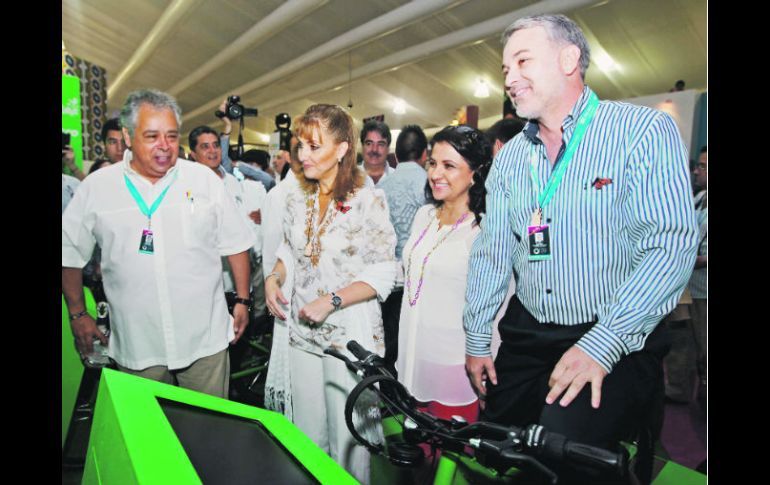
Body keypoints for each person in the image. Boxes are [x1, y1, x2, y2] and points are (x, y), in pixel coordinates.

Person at [463, 15, 698, 482]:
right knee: (496, 448)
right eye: (505, 67)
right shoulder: (511, 156)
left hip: (614, 329)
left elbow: (669, 245)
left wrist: (604, 343)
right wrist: (475, 336)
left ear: (569, 59)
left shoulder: (640, 131)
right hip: (528, 333)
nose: (508, 77)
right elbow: (492, 252)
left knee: (565, 453)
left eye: (522, 60)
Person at [62, 89, 255, 398]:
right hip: (138, 343)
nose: (165, 146)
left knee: (209, 429)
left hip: (203, 338)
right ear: (127, 135)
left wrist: (243, 300)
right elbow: (68, 252)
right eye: (152, 136)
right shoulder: (98, 188)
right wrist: (77, 313)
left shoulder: (203, 180)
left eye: (171, 135)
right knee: (148, 437)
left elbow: (236, 242)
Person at [264, 104, 396, 484]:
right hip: (302, 333)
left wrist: (332, 300)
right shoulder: (296, 198)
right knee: (307, 435)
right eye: (300, 145)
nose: (302, 155)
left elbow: (385, 269)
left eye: (313, 146)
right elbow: (288, 251)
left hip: (346, 336)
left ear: (341, 149)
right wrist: (275, 277)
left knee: (348, 436)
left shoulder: (367, 200)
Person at [396, 125, 491, 424]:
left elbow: (495, 306)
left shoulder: (483, 229)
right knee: (417, 452)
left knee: (450, 459)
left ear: (475, 172)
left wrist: (489, 367)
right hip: (412, 352)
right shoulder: (424, 215)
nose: (436, 173)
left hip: (453, 363)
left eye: (449, 165)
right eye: (433, 163)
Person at [376, 125, 429, 375]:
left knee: (389, 337)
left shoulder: (383, 186)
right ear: (424, 154)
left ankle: (388, 389)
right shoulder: (430, 185)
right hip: (418, 277)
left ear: (395, 156)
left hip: (387, 276)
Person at [360, 120, 395, 185]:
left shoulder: (398, 179)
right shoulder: (347, 178)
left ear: (388, 149)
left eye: (381, 144)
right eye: (369, 143)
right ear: (362, 147)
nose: (374, 150)